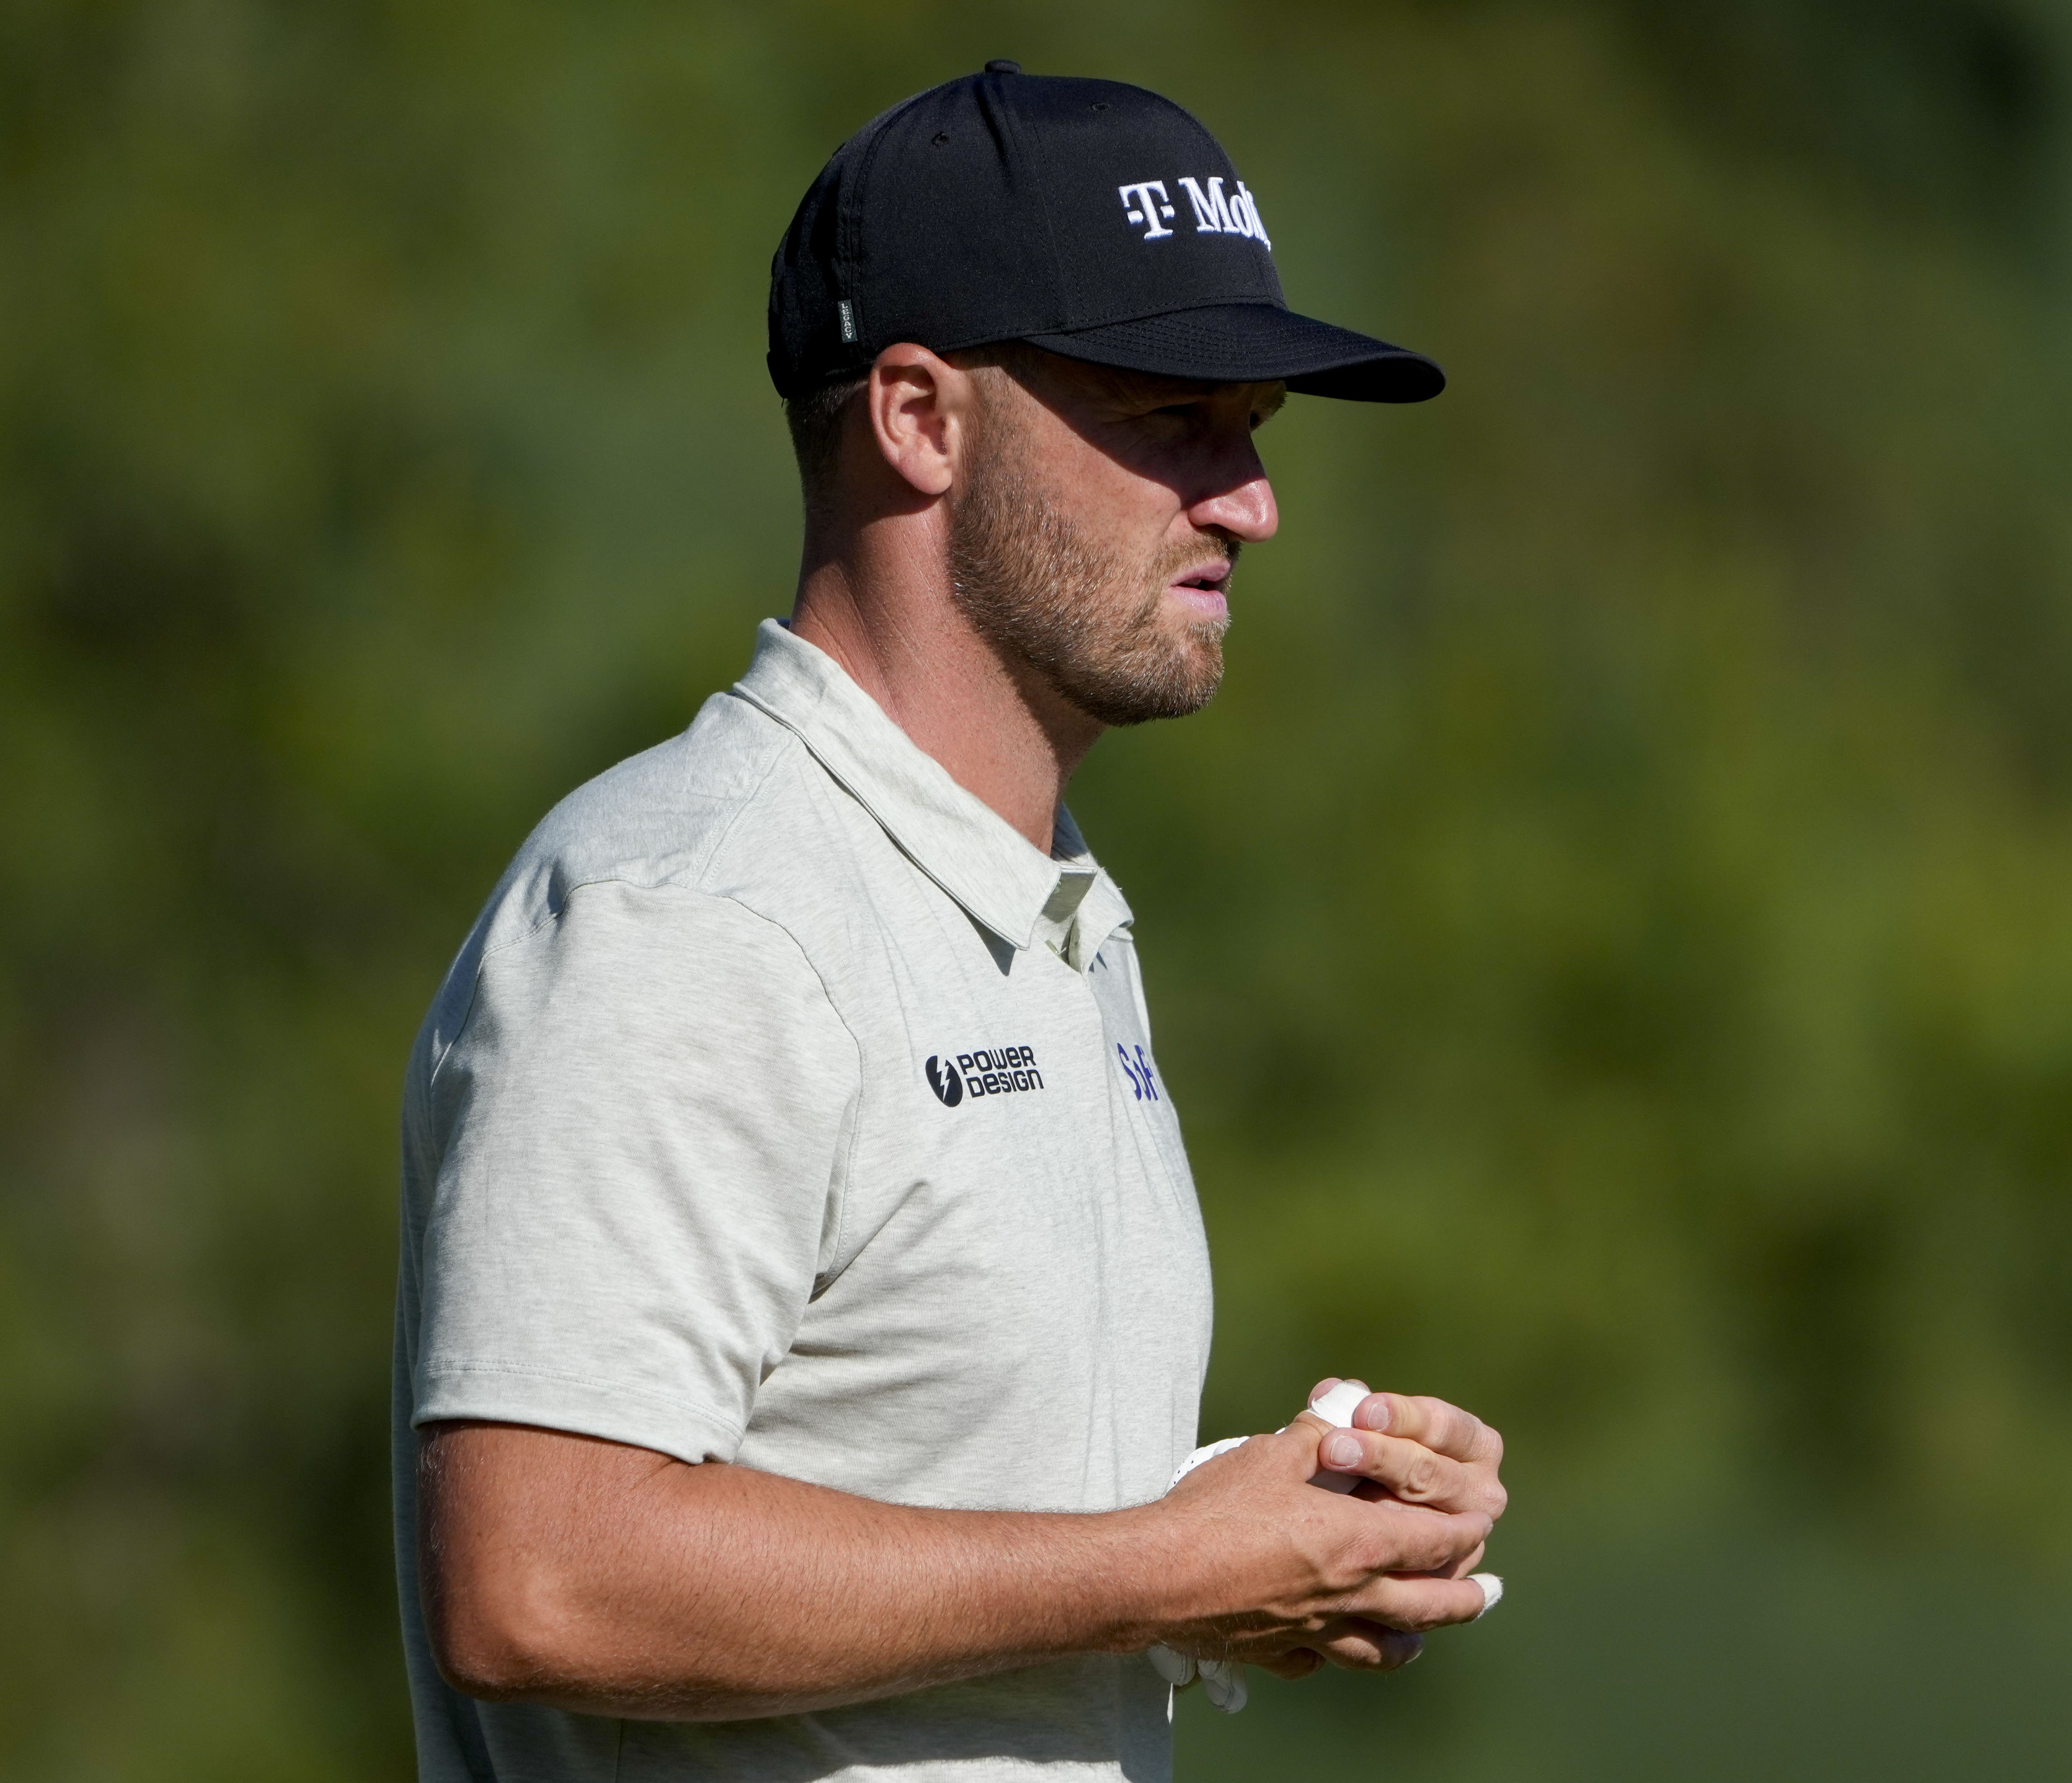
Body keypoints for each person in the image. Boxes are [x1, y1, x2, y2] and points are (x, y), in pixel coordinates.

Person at [390, 62, 1509, 1783]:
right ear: (917, 417)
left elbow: (938, 1525)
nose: (1249, 500)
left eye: (1255, 432)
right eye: (1167, 419)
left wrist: (1256, 1538)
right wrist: (1169, 1565)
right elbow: (538, 1576)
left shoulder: (1042, 905)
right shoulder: (692, 908)